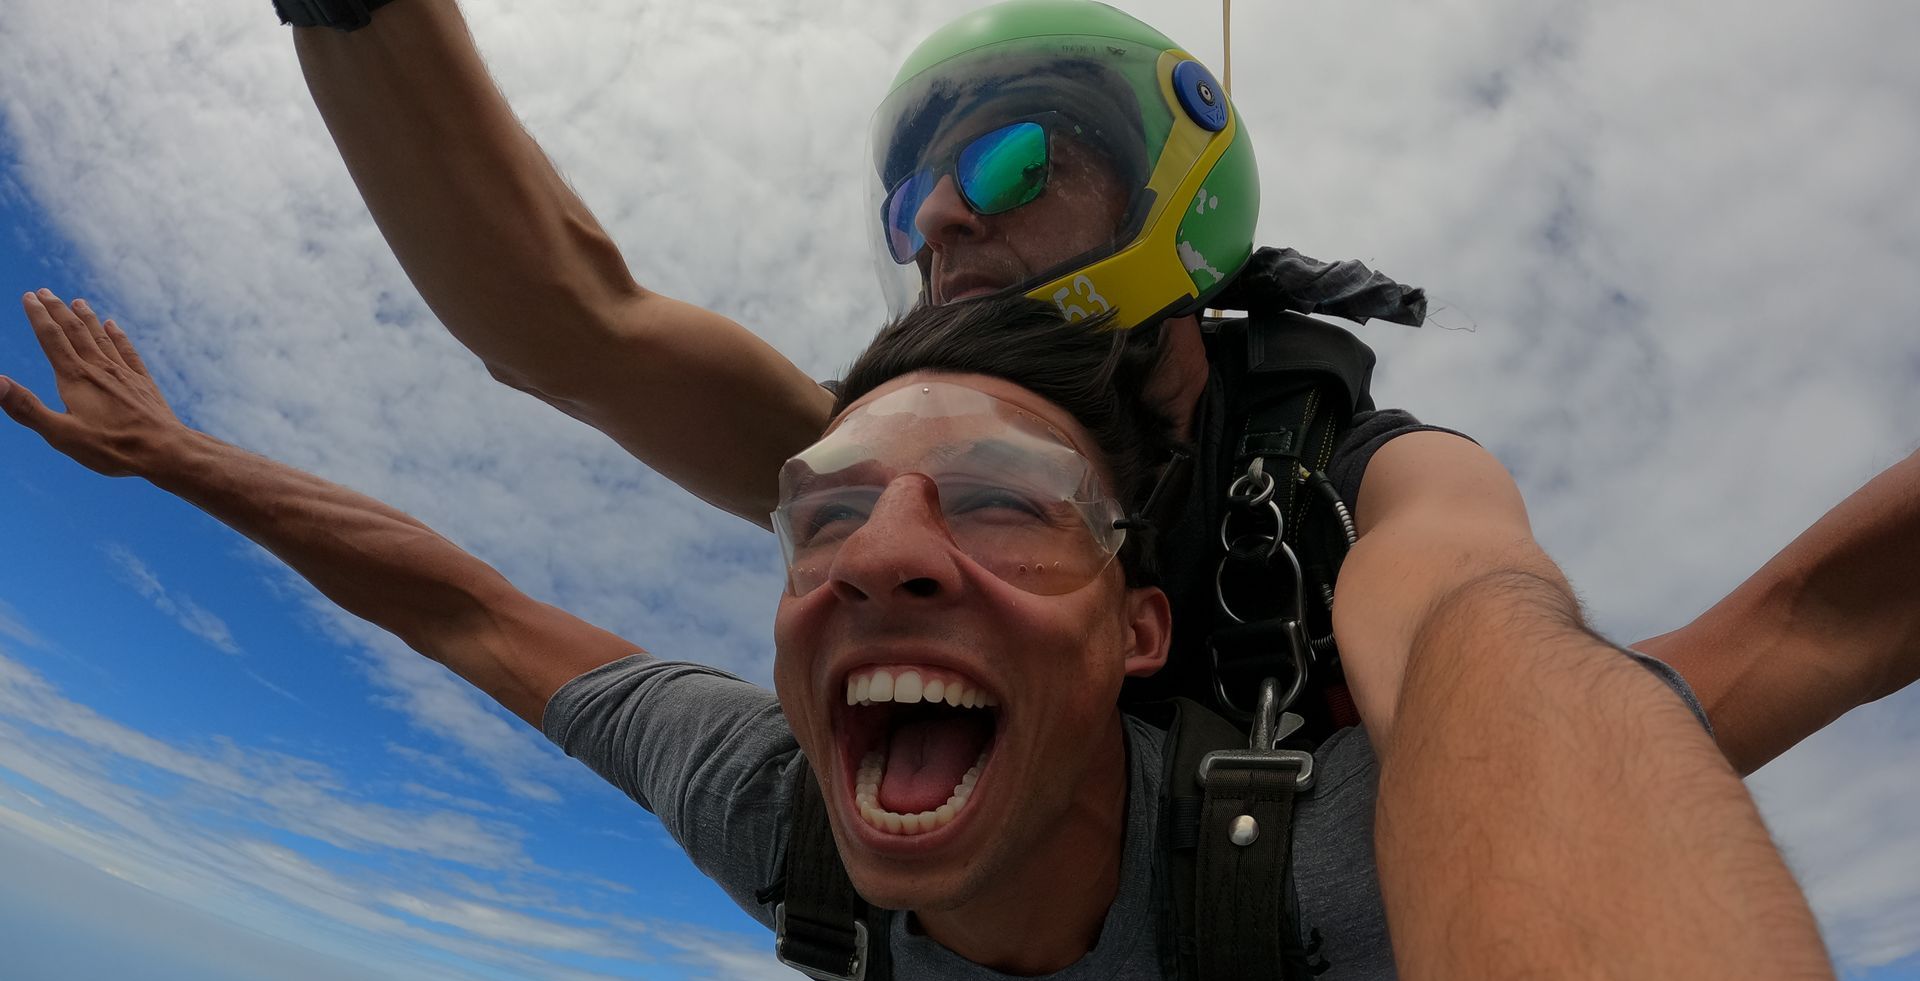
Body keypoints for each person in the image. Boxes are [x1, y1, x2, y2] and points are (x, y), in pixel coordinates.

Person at [5, 287, 1916, 981]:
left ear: (1141, 634)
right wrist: (174, 457)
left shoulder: (1314, 864)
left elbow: (1815, 621)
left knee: (1453, 891)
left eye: (1004, 510)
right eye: (827, 516)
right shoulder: (766, 802)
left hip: (1326, 973)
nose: (888, 556)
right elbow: (469, 606)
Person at [276, 0, 1920, 779]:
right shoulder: (886, 457)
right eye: (911, 187)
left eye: (1008, 158)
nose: (938, 215)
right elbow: (566, 322)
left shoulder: (1349, 475)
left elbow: (1477, 620)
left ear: (1173, 196)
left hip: (1332, 902)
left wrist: (1523, 779)